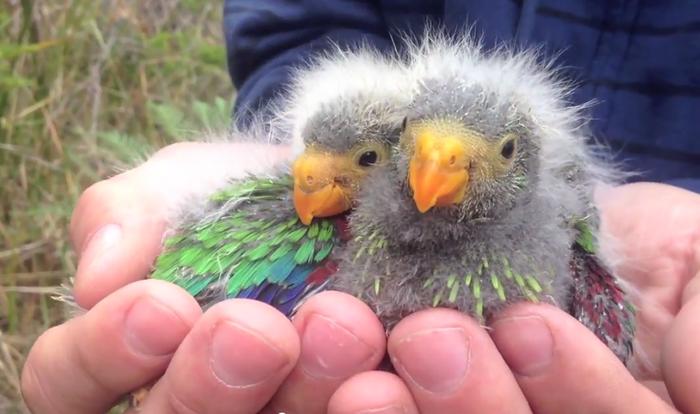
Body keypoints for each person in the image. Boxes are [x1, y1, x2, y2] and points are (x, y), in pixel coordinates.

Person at [21, 2, 700, 413]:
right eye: (412, 149)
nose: (433, 172)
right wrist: (289, 145)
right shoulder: (330, 224)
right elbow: (303, 31)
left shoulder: (567, 249)